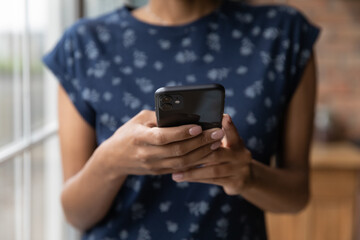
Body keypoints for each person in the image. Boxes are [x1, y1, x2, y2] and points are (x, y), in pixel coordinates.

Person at [43, 0, 320, 239]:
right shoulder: (84, 45)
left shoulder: (283, 35)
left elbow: (297, 195)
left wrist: (248, 177)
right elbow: (76, 215)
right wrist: (109, 163)